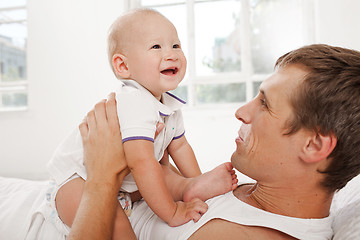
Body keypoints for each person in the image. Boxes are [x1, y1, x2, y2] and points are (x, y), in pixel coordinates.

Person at [69, 43, 360, 240]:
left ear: (314, 146)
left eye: (265, 104)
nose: (241, 112)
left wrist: (101, 179)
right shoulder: (254, 193)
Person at [46, 7, 238, 239]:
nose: (172, 53)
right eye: (157, 47)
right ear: (124, 66)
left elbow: (180, 146)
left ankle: (190, 187)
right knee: (117, 219)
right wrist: (173, 212)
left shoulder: (168, 104)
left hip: (124, 185)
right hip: (78, 183)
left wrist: (197, 179)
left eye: (176, 45)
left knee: (164, 171)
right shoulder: (134, 100)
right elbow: (142, 163)